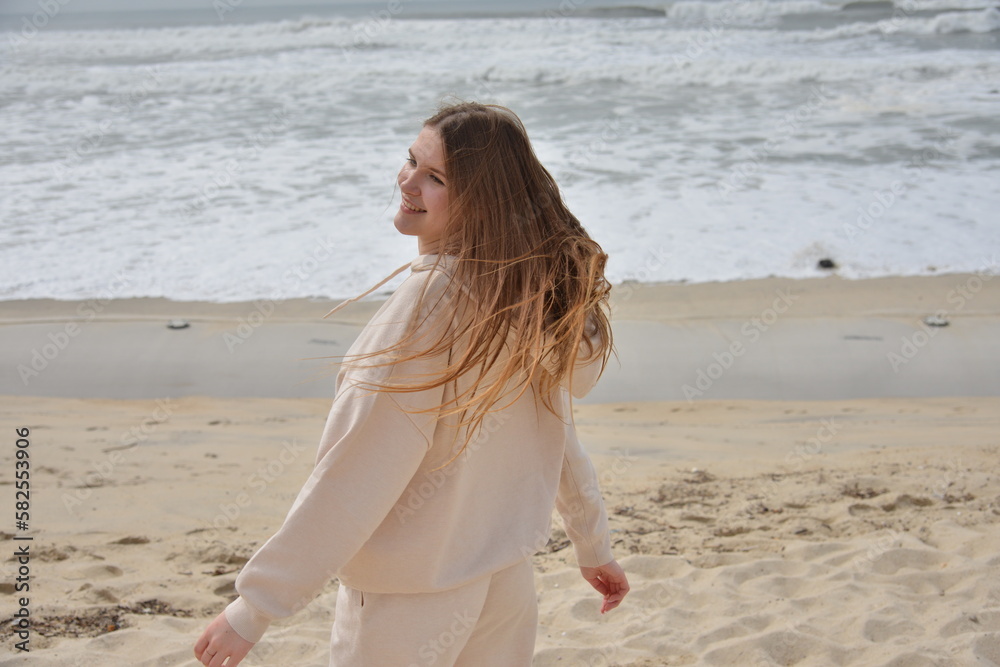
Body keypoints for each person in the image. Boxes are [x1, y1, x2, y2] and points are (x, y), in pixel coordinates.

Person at [193, 101, 629, 667]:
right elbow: (557, 434)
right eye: (412, 161)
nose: (408, 182)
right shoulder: (524, 296)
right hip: (503, 586)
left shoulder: (427, 307)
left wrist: (254, 609)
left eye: (436, 178)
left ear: (481, 200)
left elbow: (357, 469)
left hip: (408, 603)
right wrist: (592, 543)